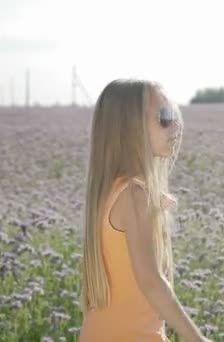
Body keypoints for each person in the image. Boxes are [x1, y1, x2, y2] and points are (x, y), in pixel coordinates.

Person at [78, 79, 212, 342]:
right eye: (164, 117)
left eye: (173, 115)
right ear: (130, 130)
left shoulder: (112, 191)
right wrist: (197, 339)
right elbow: (151, 282)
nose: (175, 126)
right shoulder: (134, 195)